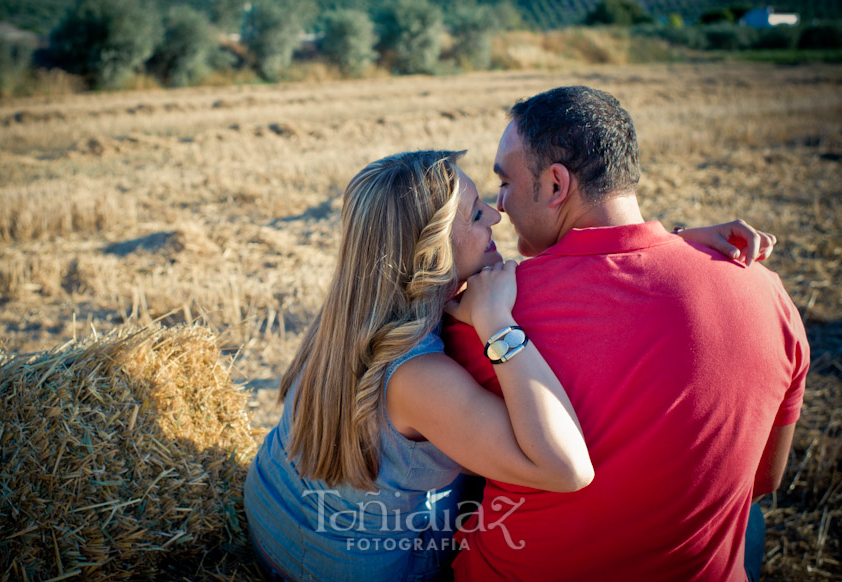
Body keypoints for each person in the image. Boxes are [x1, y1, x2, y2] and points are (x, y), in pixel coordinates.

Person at [244, 149, 779, 582]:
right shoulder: (417, 378)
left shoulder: (358, 309)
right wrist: (498, 325)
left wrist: (673, 247)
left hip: (274, 504)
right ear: (433, 248)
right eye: (477, 214)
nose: (497, 215)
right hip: (337, 565)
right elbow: (567, 470)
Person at [442, 87, 810, 582]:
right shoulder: (768, 292)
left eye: (505, 183)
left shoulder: (485, 316)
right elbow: (763, 480)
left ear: (556, 185)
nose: (500, 206)